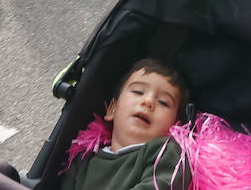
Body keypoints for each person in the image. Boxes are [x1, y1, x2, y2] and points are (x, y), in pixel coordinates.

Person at [60, 59, 191, 190]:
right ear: (112, 109)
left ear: (175, 127)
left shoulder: (166, 153)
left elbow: (162, 185)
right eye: (138, 92)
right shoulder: (84, 160)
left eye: (163, 102)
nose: (148, 101)